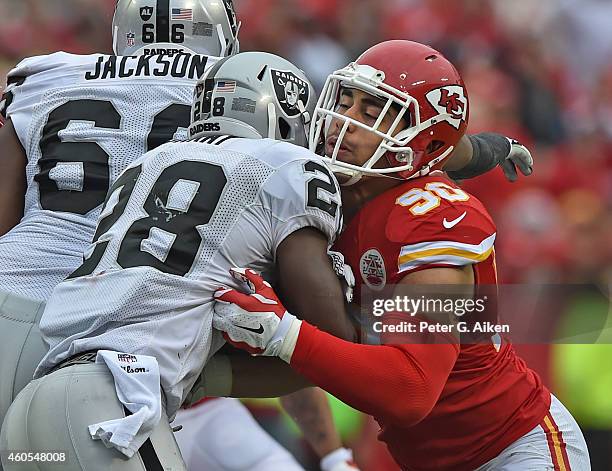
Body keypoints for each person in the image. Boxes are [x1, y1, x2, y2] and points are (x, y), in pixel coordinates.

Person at [0, 2, 355, 470]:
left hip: (13, 294)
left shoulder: (46, 76)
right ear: (222, 32)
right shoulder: (242, 91)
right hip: (113, 348)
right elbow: (301, 325)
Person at [210, 40, 591, 471]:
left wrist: (283, 335)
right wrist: (207, 381)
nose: (343, 123)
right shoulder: (312, 194)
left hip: (510, 447)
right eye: (345, 101)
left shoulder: (430, 220)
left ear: (422, 145)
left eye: (372, 113)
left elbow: (412, 389)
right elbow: (317, 360)